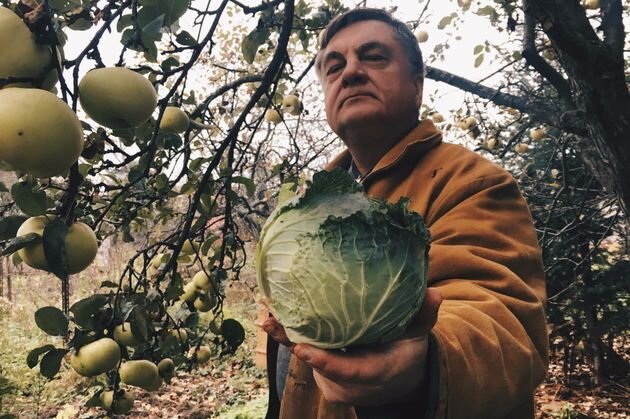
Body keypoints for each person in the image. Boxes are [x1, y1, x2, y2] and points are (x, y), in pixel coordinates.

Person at [262, 7, 548, 419]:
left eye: (374, 56)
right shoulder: (305, 204)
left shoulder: (471, 182)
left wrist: (421, 371)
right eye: (334, 66)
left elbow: (503, 322)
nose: (352, 72)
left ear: (417, 85)